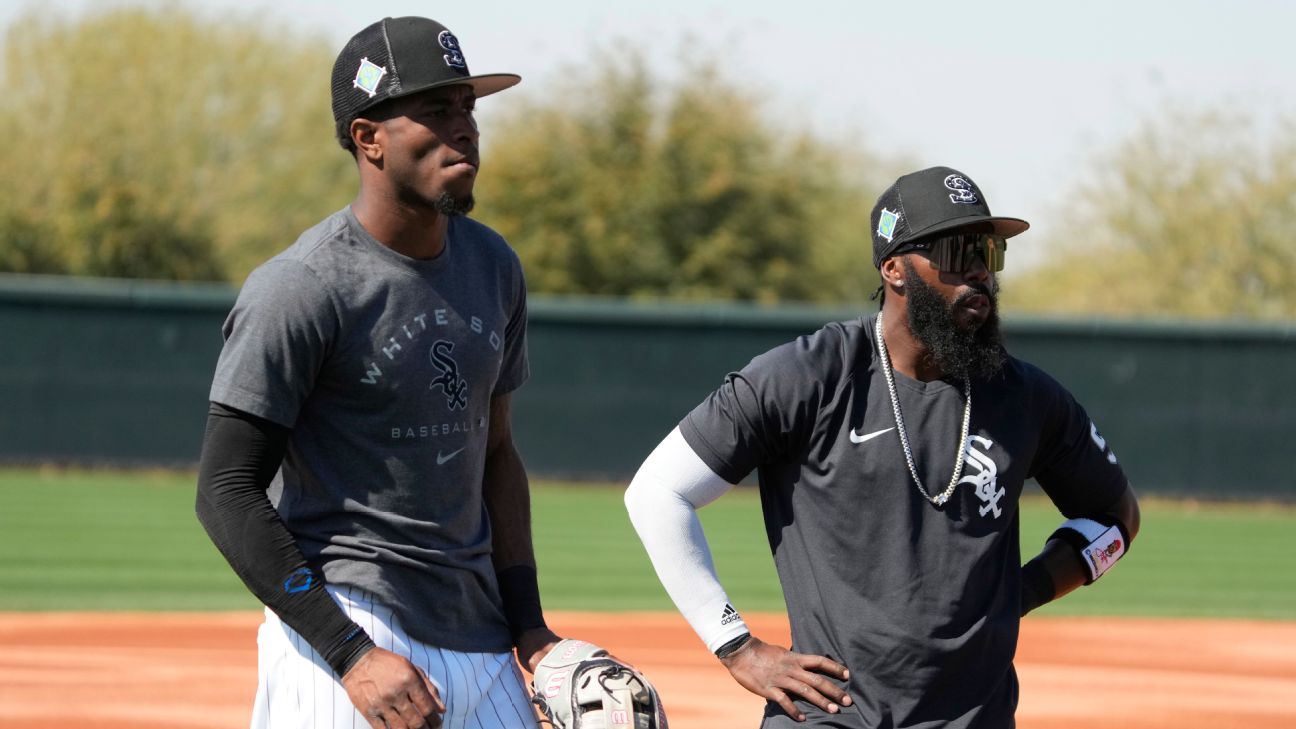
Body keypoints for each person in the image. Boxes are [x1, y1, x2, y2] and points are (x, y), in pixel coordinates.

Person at [624, 166, 1140, 728]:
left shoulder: (1028, 397)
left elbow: (1115, 519)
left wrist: (1025, 590)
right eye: (957, 250)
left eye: (989, 253)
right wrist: (737, 646)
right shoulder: (811, 375)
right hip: (831, 714)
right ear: (894, 268)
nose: (979, 272)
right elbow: (656, 492)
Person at [196, 17, 559, 729]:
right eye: (435, 112)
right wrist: (348, 651)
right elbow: (225, 488)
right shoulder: (302, 287)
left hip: (480, 633)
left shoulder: (492, 266)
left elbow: (496, 451)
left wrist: (533, 630)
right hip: (348, 630)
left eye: (468, 109)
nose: (464, 130)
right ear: (369, 138)